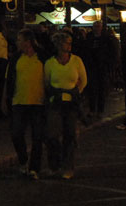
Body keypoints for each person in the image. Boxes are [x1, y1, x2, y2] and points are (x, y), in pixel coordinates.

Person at [2, 28, 45, 180]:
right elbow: (8, 80)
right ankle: (23, 160)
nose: (17, 42)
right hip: (19, 101)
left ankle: (34, 168)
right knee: (16, 134)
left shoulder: (42, 57)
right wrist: (5, 99)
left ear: (28, 42)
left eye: (19, 40)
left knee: (37, 137)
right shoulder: (15, 59)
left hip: (38, 102)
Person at [44, 31, 87, 180]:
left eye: (70, 42)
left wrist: (75, 92)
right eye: (66, 42)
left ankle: (68, 166)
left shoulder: (76, 61)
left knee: (70, 135)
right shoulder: (50, 63)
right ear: (58, 44)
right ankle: (54, 164)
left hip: (71, 103)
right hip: (55, 102)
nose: (69, 45)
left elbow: (83, 80)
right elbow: (47, 82)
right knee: (52, 135)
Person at [84, 21, 120, 119]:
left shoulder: (106, 38)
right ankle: (92, 109)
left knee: (101, 89)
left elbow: (112, 52)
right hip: (92, 66)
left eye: (98, 26)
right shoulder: (89, 37)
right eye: (95, 26)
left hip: (102, 66)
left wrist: (110, 64)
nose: (97, 28)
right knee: (92, 89)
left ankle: (100, 110)